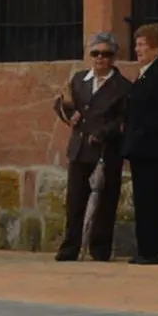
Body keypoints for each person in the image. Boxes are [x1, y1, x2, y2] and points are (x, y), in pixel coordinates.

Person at [52, 31, 131, 262]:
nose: (100, 59)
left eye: (106, 54)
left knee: (105, 203)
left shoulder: (122, 86)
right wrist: (69, 114)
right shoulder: (79, 80)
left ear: (114, 57)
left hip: (106, 151)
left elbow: (123, 120)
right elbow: (61, 103)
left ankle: (100, 249)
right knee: (75, 201)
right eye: (96, 53)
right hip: (79, 149)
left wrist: (102, 133)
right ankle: (70, 248)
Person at [119, 21, 158, 264]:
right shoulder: (147, 72)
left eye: (142, 45)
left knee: (153, 199)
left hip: (155, 148)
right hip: (142, 148)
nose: (138, 49)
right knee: (144, 200)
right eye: (136, 45)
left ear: (156, 47)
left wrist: (139, 136)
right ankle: (147, 248)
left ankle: (156, 250)